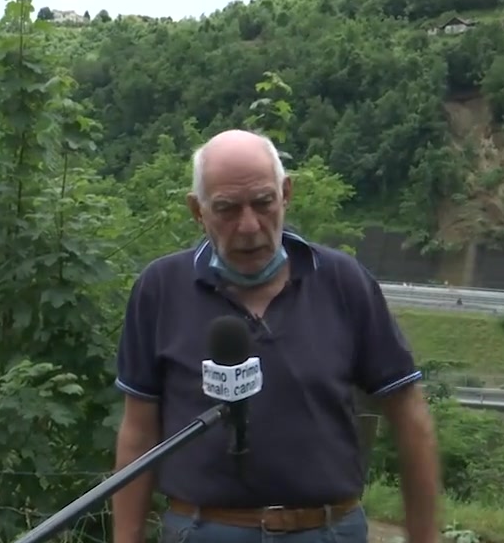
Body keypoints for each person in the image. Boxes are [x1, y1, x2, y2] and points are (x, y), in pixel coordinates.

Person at [111, 129, 440, 543]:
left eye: (263, 203)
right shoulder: (160, 289)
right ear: (198, 210)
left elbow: (409, 414)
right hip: (202, 531)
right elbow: (138, 431)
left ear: (286, 194)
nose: (249, 226)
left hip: (327, 531)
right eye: (227, 209)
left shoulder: (343, 281)